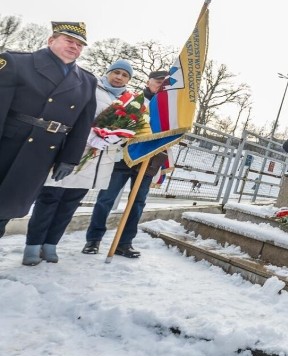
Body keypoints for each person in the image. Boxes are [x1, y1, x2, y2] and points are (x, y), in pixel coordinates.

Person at [22, 59, 134, 265]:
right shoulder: (91, 88)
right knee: (49, 199)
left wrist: (116, 137)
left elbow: (129, 128)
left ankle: (51, 244)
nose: (119, 77)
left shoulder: (130, 102)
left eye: (125, 75)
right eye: (116, 72)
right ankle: (33, 245)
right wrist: (91, 133)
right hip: (73, 151)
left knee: (69, 204)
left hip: (99, 158)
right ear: (108, 72)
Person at [0, 21, 97, 238]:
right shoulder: (16, 62)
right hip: (8, 144)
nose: (75, 47)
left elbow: (82, 124)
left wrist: (70, 158)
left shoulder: (87, 81)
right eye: (69, 41)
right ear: (51, 40)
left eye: (80, 45)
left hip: (41, 153)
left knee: (5, 210)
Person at [81, 69, 169, 258]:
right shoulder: (133, 101)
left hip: (147, 162)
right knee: (106, 199)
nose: (160, 86)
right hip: (124, 157)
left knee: (137, 203)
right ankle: (93, 240)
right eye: (157, 82)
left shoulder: (168, 110)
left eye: (164, 84)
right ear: (148, 82)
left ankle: (124, 243)